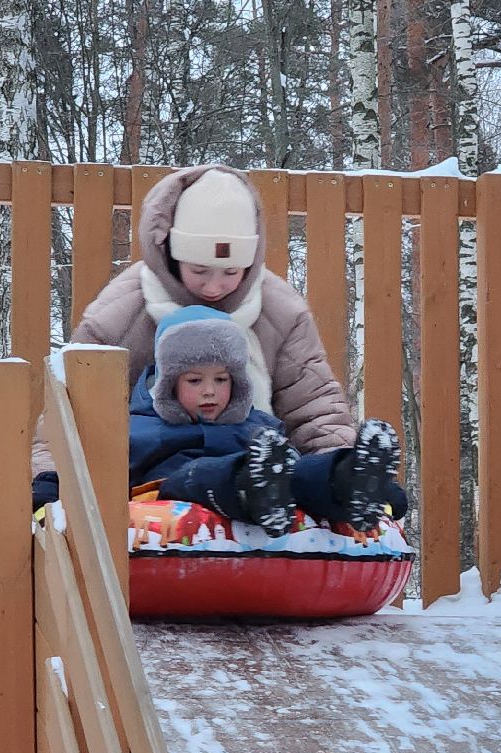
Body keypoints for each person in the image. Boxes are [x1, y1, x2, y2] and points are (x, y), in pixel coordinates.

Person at [33, 163, 359, 500]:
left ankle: (350, 483)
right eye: (199, 270)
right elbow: (71, 410)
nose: (214, 287)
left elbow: (313, 404)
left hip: (259, 459)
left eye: (231, 271)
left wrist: (335, 463)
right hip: (159, 477)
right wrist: (51, 480)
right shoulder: (124, 311)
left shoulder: (279, 311)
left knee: (306, 474)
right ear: (173, 257)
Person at [121, 306, 407, 534]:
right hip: (176, 489)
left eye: (221, 379)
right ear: (168, 383)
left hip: (271, 480)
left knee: (296, 472)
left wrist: (385, 492)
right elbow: (110, 476)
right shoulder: (143, 426)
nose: (210, 391)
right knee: (195, 476)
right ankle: (253, 486)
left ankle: (351, 480)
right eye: (194, 380)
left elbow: (296, 465)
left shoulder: (257, 425)